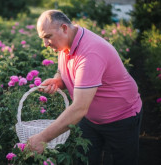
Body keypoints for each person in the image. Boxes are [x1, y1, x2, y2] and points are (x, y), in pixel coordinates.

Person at [27, 10, 142, 165]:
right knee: (85, 160)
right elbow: (62, 68)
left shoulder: (91, 52)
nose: (45, 44)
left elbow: (79, 108)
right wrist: (58, 80)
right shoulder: (66, 42)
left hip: (120, 117)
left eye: (47, 37)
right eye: (43, 38)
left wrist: (41, 138)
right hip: (89, 118)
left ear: (64, 28)